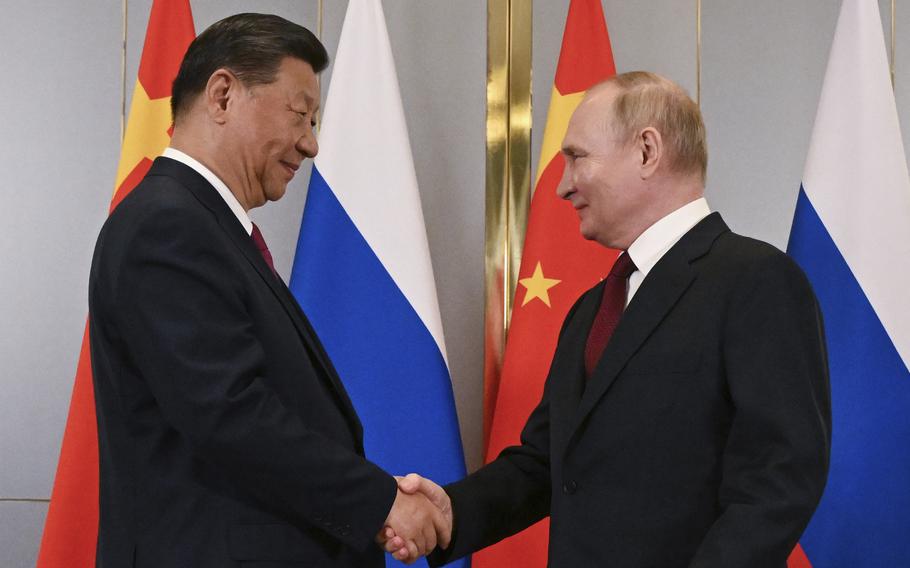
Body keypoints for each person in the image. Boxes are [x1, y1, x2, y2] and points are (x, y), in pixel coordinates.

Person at [383, 71, 831, 567]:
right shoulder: (592, 309)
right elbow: (548, 462)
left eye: (577, 158)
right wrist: (453, 513)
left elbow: (780, 478)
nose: (562, 186)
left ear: (646, 151)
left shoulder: (756, 281)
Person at [89, 13, 447, 567]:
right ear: (224, 95)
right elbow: (230, 415)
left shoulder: (207, 226)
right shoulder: (168, 226)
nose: (311, 145)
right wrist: (380, 503)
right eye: (300, 115)